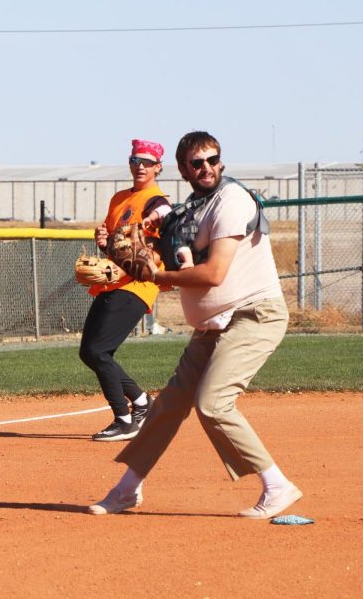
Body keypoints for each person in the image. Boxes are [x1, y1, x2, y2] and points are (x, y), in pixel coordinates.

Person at [88, 131, 302, 519]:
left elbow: (214, 273)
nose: (206, 167)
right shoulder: (194, 208)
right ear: (184, 169)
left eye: (212, 159)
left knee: (213, 403)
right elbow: (178, 273)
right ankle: (126, 490)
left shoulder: (231, 200)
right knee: (167, 407)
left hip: (254, 314)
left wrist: (153, 276)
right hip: (213, 325)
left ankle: (277, 485)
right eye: (196, 162)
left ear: (221, 161)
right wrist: (133, 260)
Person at [80, 139, 171, 441]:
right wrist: (103, 239)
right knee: (89, 352)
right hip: (112, 280)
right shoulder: (119, 198)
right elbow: (113, 243)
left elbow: (165, 215)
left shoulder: (156, 199)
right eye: (135, 160)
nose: (140, 166)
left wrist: (156, 218)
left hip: (136, 284)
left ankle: (124, 418)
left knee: (98, 350)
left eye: (147, 161)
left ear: (158, 167)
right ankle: (142, 402)